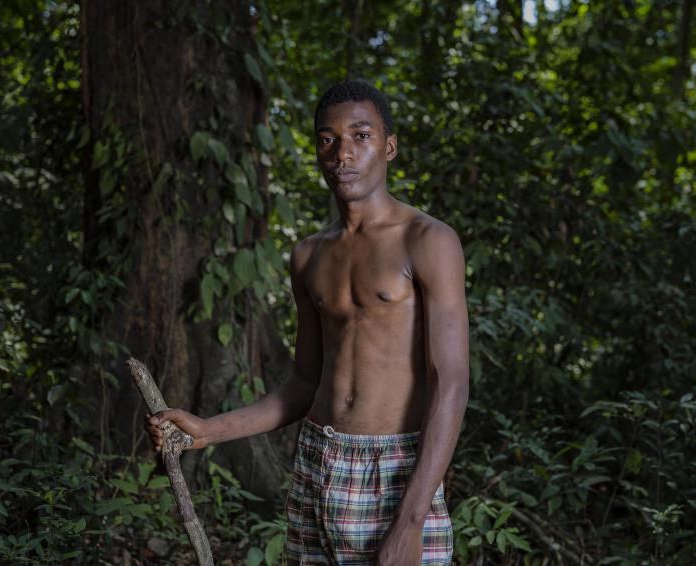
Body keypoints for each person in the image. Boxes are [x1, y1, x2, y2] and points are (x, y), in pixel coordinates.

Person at [146, 80, 469, 565]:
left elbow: (452, 383)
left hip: (398, 470)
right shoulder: (308, 255)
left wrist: (411, 520)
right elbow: (303, 383)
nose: (344, 153)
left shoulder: (428, 240)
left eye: (361, 136)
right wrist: (208, 431)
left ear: (390, 146)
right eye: (328, 139)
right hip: (319, 461)